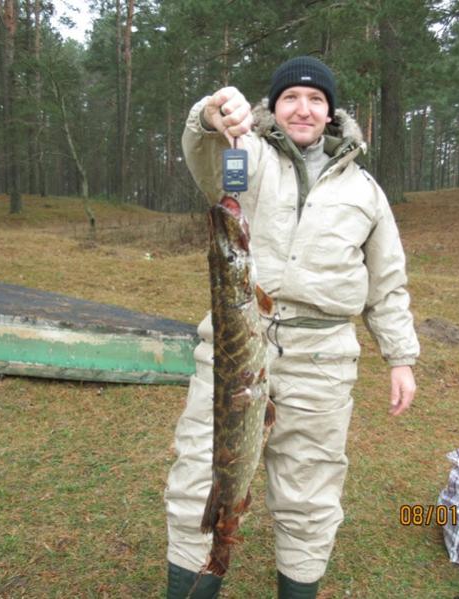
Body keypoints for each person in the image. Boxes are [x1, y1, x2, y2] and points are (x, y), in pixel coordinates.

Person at [165, 56, 420, 599]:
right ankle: (195, 578)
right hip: (236, 347)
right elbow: (203, 151)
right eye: (290, 98)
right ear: (273, 108)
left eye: (315, 99)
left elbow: (387, 282)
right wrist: (212, 114)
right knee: (199, 480)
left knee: (309, 493)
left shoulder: (366, 190)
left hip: (323, 355)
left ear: (331, 113)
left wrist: (400, 358)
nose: (303, 109)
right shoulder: (245, 154)